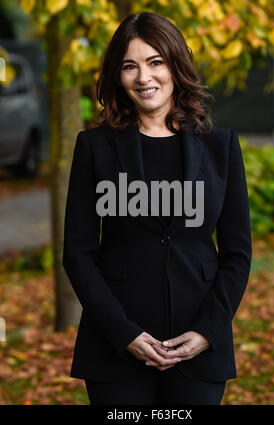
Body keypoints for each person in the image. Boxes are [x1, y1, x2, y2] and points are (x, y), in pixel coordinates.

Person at [62, 11, 252, 405]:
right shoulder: (94, 148)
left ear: (175, 66)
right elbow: (78, 253)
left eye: (155, 62)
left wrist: (208, 331)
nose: (144, 77)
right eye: (130, 66)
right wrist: (123, 333)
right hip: (115, 345)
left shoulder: (221, 147)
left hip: (198, 343)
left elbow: (237, 254)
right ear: (118, 75)